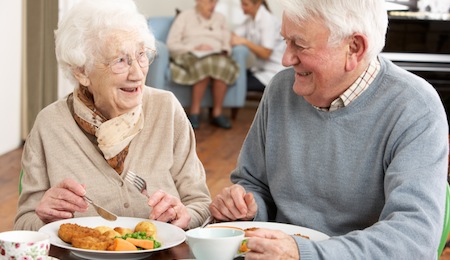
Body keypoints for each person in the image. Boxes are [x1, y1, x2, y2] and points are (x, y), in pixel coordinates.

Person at [209, 0, 449, 259]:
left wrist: (305, 254)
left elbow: (414, 237)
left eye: (299, 45)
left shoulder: (415, 106)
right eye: (285, 41)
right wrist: (248, 207)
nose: (286, 58)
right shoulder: (279, 89)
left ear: (354, 48)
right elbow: (253, 182)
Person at [14, 0, 211, 231]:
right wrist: (44, 221)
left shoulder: (166, 109)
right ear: (81, 71)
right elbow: (23, 224)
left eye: (141, 55)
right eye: (120, 60)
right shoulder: (50, 125)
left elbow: (201, 204)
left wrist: (185, 214)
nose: (137, 74)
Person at [166, 0, 239, 130]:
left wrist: (224, 50)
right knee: (206, 64)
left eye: (215, 2)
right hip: (191, 55)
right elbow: (172, 44)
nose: (213, 6)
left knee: (221, 64)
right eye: (210, 1)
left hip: (216, 56)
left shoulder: (221, 18)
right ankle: (195, 112)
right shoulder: (185, 16)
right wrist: (194, 47)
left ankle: (217, 113)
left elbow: (226, 43)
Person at [231, 0, 285, 92]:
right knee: (231, 77)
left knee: (237, 84)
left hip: (273, 71)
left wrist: (245, 42)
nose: (242, 7)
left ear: (258, 3)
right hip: (259, 69)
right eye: (241, 4)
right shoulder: (250, 20)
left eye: (245, 4)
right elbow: (234, 36)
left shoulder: (267, 20)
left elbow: (266, 53)